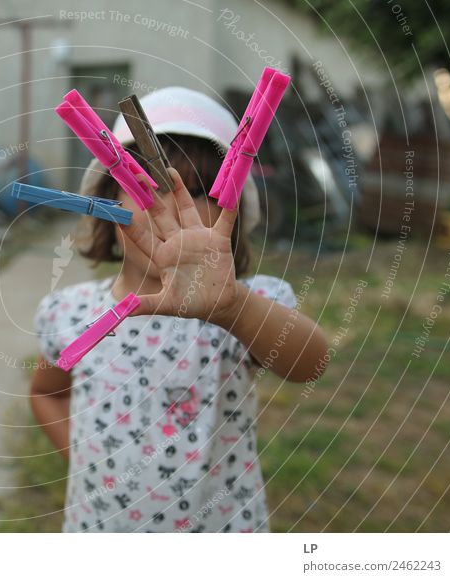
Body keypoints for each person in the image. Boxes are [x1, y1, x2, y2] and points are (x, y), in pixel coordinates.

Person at [30, 87, 329, 532]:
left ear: (232, 221)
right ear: (105, 207)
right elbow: (46, 392)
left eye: (198, 190)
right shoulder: (72, 314)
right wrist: (87, 467)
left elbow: (313, 363)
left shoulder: (246, 309)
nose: (170, 205)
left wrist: (232, 308)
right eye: (143, 185)